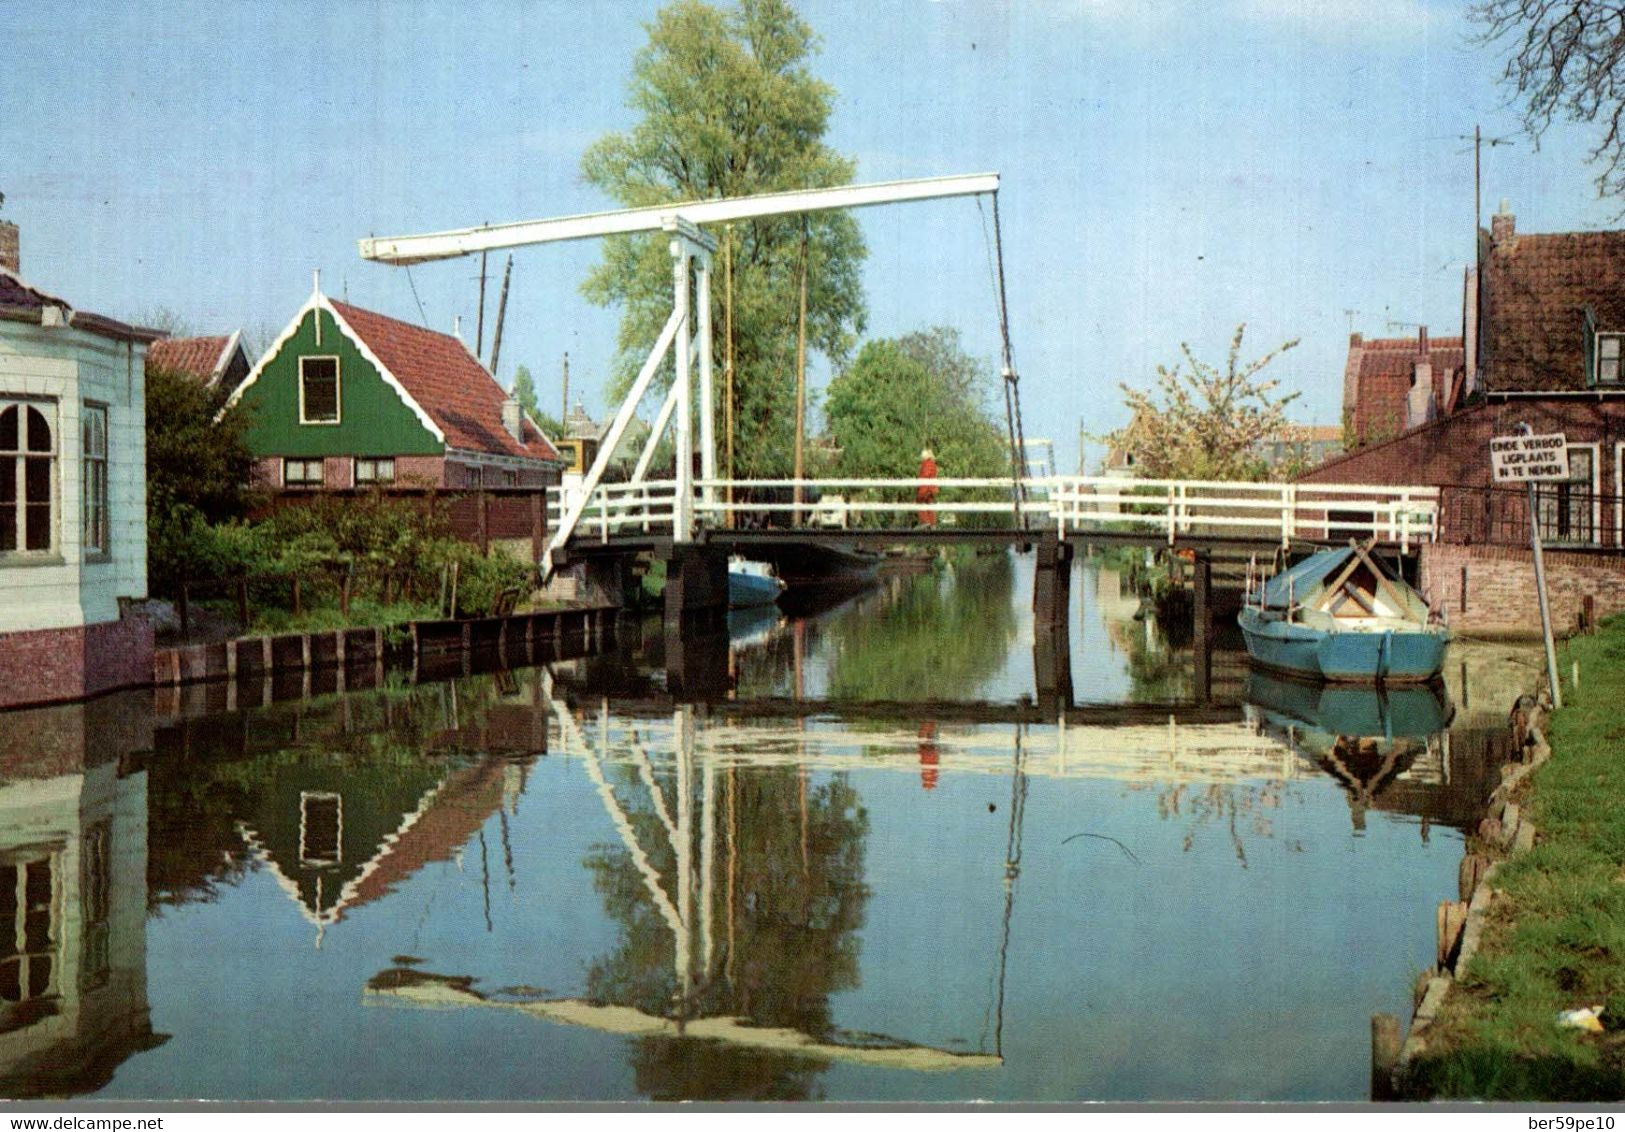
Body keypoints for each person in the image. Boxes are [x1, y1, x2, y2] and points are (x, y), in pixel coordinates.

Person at [916, 446, 938, 527]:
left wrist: (920, 486)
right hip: (932, 488)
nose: (921, 457)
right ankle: (932, 524)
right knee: (929, 505)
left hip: (925, 487)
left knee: (920, 503)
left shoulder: (927, 463)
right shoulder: (933, 463)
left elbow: (925, 475)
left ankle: (926, 521)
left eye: (922, 455)